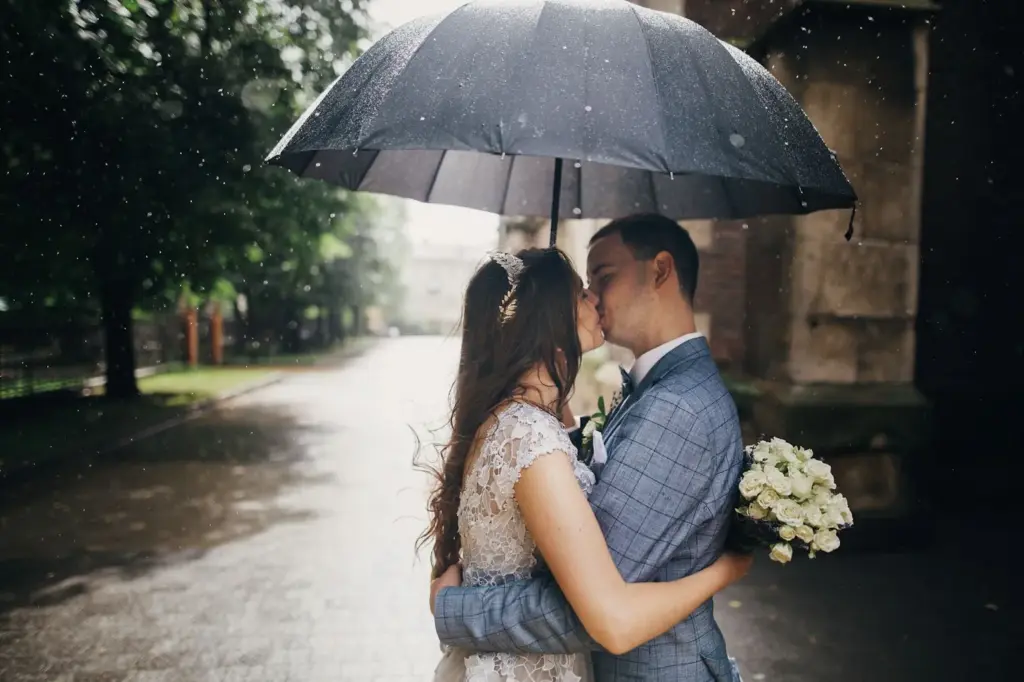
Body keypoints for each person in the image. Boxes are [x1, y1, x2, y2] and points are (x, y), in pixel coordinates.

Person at [422, 233, 749, 682]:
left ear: (660, 271)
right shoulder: (530, 434)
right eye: (581, 289)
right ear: (547, 320)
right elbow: (609, 616)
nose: (593, 297)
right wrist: (726, 570)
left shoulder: (515, 421)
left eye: (602, 279)